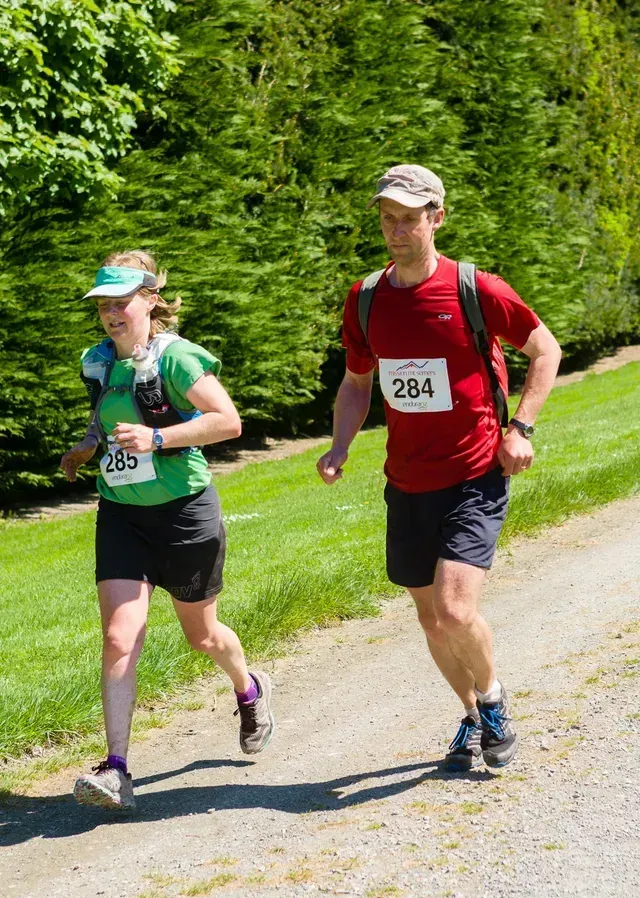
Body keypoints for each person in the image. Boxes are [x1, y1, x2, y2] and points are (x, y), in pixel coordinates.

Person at [317, 165, 561, 771]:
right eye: (387, 218)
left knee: (455, 610)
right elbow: (356, 382)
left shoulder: (476, 289)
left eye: (408, 217)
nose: (396, 229)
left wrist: (521, 429)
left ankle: (495, 698)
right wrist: (340, 445)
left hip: (475, 471)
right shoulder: (367, 297)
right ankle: (474, 718)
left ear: (436, 217)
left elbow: (545, 350)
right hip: (406, 480)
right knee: (429, 620)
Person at [61, 251, 275, 811]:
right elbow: (105, 416)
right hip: (122, 515)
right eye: (103, 304)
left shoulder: (177, 359)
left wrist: (157, 440)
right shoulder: (99, 361)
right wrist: (90, 444)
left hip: (184, 513)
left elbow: (227, 421)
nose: (110, 313)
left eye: (121, 301)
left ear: (150, 300)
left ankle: (249, 688)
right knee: (118, 636)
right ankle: (117, 770)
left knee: (201, 636)